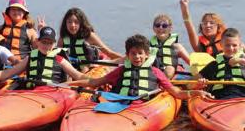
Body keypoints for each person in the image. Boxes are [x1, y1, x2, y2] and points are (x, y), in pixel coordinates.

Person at [69, 34, 212, 101]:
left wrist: (197, 92)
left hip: (142, 107)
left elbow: (176, 92)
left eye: (140, 53)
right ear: (127, 55)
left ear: (147, 55)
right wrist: (69, 84)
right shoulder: (120, 71)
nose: (137, 57)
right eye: (133, 53)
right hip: (119, 102)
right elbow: (95, 82)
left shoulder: (156, 72)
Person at [0, 26, 86, 88]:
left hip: (52, 94)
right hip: (32, 93)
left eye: (49, 43)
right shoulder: (30, 58)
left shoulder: (60, 59)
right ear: (37, 41)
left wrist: (94, 81)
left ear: (54, 44)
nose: (46, 45)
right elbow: (7, 73)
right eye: (43, 42)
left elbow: (78, 76)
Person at [179, 0, 245, 60]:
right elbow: (190, 29)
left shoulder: (229, 40)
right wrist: (184, 10)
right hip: (211, 72)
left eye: (212, 23)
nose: (208, 26)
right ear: (201, 27)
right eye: (204, 23)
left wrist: (239, 56)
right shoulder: (199, 45)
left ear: (218, 26)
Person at [193, 28, 245, 100]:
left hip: (243, 98)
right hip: (219, 99)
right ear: (221, 44)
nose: (231, 48)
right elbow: (190, 84)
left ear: (240, 46)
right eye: (227, 45)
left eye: (234, 45)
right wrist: (200, 82)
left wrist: (244, 61)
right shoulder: (214, 64)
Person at [52, 7, 121, 70]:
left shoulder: (90, 36)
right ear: (65, 23)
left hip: (89, 70)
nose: (72, 25)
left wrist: (126, 59)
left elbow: (109, 53)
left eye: (76, 22)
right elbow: (56, 56)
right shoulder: (63, 38)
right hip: (70, 71)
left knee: (85, 69)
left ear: (81, 23)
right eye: (69, 22)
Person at [149, 14, 190, 79]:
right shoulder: (147, 46)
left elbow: (191, 62)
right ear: (153, 28)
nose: (160, 28)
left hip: (172, 76)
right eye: (157, 25)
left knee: (169, 69)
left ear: (170, 28)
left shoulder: (177, 46)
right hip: (154, 75)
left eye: (164, 26)